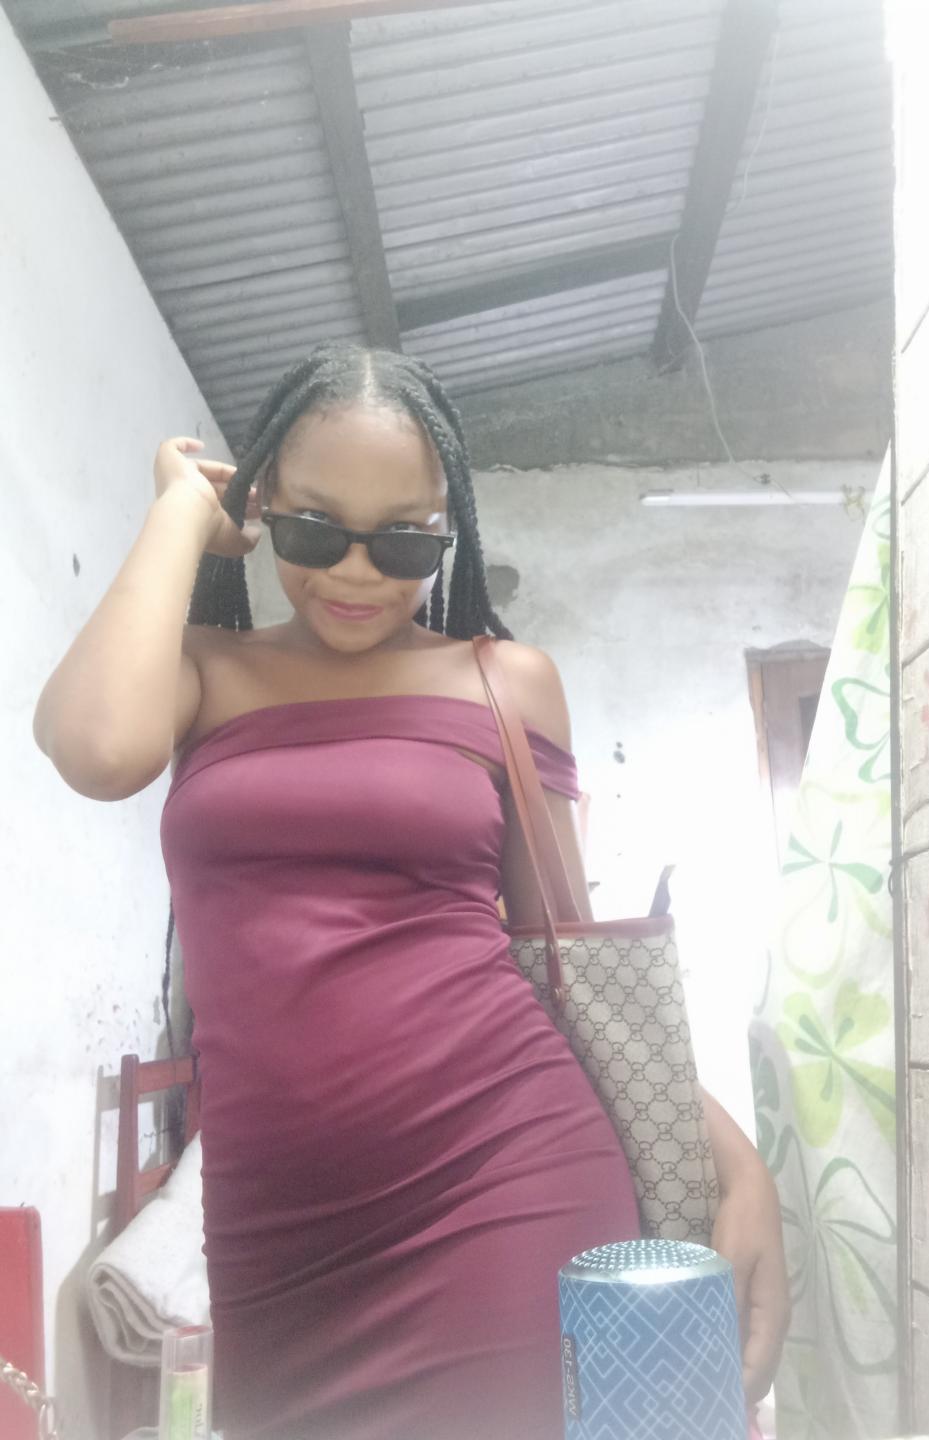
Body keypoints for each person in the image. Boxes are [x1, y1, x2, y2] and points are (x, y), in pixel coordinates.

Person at [34, 345, 789, 1439]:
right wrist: (177, 515)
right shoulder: (203, 672)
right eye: (313, 531)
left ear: (448, 531)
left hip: (504, 1175)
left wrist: (735, 1165)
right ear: (260, 505)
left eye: (403, 542)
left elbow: (569, 960)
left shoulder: (503, 683)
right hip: (275, 1232)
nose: (356, 574)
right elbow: (97, 748)